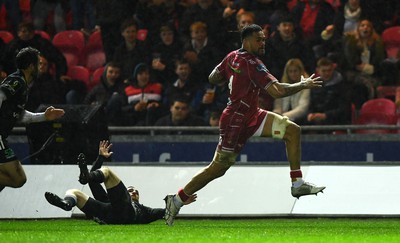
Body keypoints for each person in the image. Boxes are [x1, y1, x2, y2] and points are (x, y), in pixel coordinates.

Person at [164, 24, 325, 226]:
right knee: (218, 168)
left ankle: (297, 183)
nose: (263, 43)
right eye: (259, 39)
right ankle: (177, 199)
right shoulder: (253, 64)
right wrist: (302, 85)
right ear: (246, 40)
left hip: (252, 115)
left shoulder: (232, 56)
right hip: (234, 122)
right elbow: (277, 91)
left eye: (264, 39)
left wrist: (230, 77)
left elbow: (213, 77)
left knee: (293, 130)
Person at [44, 140, 197, 224]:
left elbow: (167, 211)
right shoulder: (111, 201)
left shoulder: (146, 211)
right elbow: (92, 182)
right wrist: (100, 158)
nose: (133, 191)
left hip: (119, 214)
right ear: (125, 193)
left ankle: (83, 179)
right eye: (130, 190)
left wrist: (182, 201)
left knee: (107, 173)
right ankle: (66, 204)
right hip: (109, 215)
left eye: (135, 191)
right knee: (74, 192)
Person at [0, 47, 65, 192]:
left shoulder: (23, 85)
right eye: (38, 64)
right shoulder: (16, 80)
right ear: (30, 66)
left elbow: (20, 115)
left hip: (2, 137)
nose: (40, 68)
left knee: (8, 179)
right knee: (17, 179)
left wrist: (44, 116)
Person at [3, 22, 68, 80]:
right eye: (19, 31)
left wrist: (60, 75)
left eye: (23, 31)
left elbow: (59, 59)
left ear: (31, 32)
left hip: (40, 79)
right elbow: (4, 60)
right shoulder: (14, 45)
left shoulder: (42, 44)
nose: (20, 34)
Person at [307, 57, 352, 126]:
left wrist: (326, 115)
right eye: (324, 71)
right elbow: (311, 104)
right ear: (318, 71)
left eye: (329, 70)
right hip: (317, 120)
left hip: (336, 121)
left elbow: (344, 109)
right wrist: (310, 114)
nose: (327, 73)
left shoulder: (342, 86)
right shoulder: (314, 86)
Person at [273, 59, 310, 125]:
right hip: (283, 119)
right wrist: (276, 115)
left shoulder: (306, 85)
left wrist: (284, 116)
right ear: (287, 73)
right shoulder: (282, 85)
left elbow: (303, 108)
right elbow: (278, 106)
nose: (293, 74)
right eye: (290, 71)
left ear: (300, 71)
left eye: (295, 71)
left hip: (300, 120)